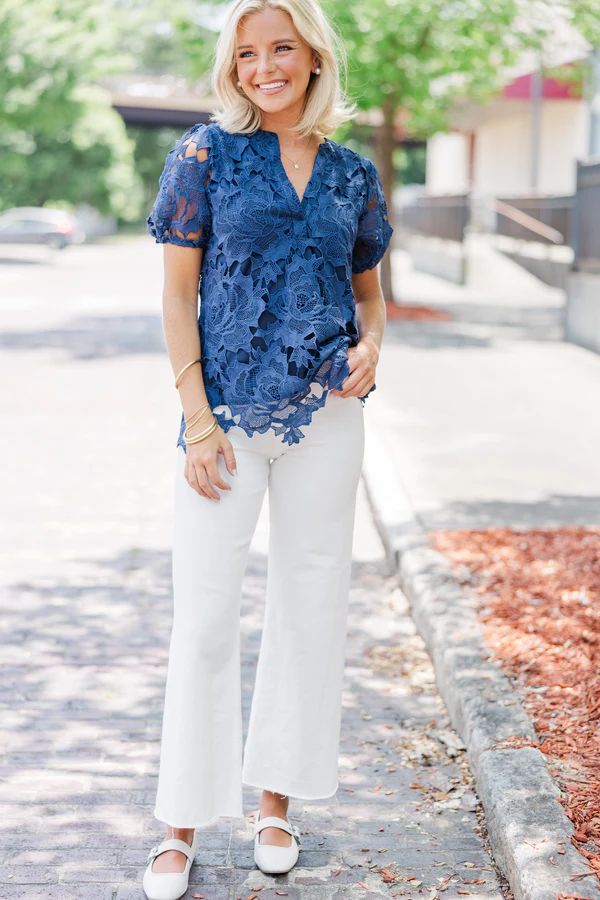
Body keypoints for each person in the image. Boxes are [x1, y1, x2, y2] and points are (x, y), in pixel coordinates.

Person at [142, 0, 393, 896]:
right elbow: (178, 297)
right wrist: (196, 420)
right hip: (226, 421)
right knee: (206, 615)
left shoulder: (352, 174)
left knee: (310, 605)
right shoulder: (204, 156)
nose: (264, 67)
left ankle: (276, 804)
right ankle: (180, 824)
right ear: (232, 67)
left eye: (281, 48)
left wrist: (373, 345)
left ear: (314, 57)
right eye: (247, 54)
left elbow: (369, 293)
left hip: (329, 417)